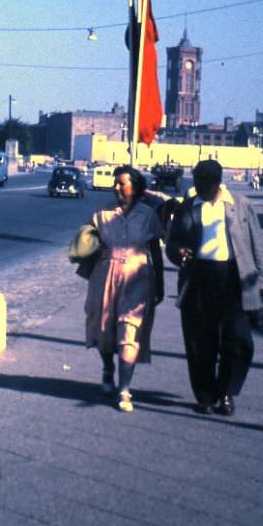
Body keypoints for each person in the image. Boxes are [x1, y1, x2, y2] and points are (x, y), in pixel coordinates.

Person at [166, 159, 263, 416]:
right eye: (196, 182)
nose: (197, 188)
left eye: (202, 184)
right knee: (200, 342)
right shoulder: (188, 207)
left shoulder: (240, 204)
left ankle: (226, 392)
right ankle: (205, 395)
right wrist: (178, 252)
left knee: (238, 341)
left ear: (217, 184)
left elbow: (256, 244)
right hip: (198, 280)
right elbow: (172, 242)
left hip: (234, 279)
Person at [70, 165, 164, 413]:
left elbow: (155, 250)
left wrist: (160, 284)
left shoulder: (147, 215)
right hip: (105, 275)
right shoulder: (100, 214)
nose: (116, 187)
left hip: (138, 277)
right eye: (115, 183)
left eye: (122, 183)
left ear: (136, 186)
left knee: (129, 330)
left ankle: (124, 389)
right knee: (103, 329)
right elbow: (84, 243)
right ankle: (107, 368)